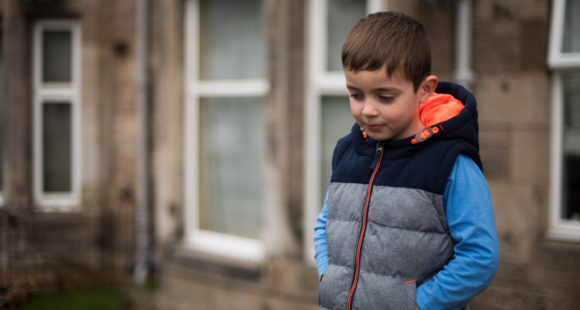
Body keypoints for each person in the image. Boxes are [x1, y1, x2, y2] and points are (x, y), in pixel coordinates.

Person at [313, 11, 499, 310]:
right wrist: (329, 275)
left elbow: (480, 257)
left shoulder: (451, 163)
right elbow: (325, 225)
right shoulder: (347, 151)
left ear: (424, 90)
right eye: (356, 95)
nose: (367, 110)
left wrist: (417, 303)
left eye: (385, 97)